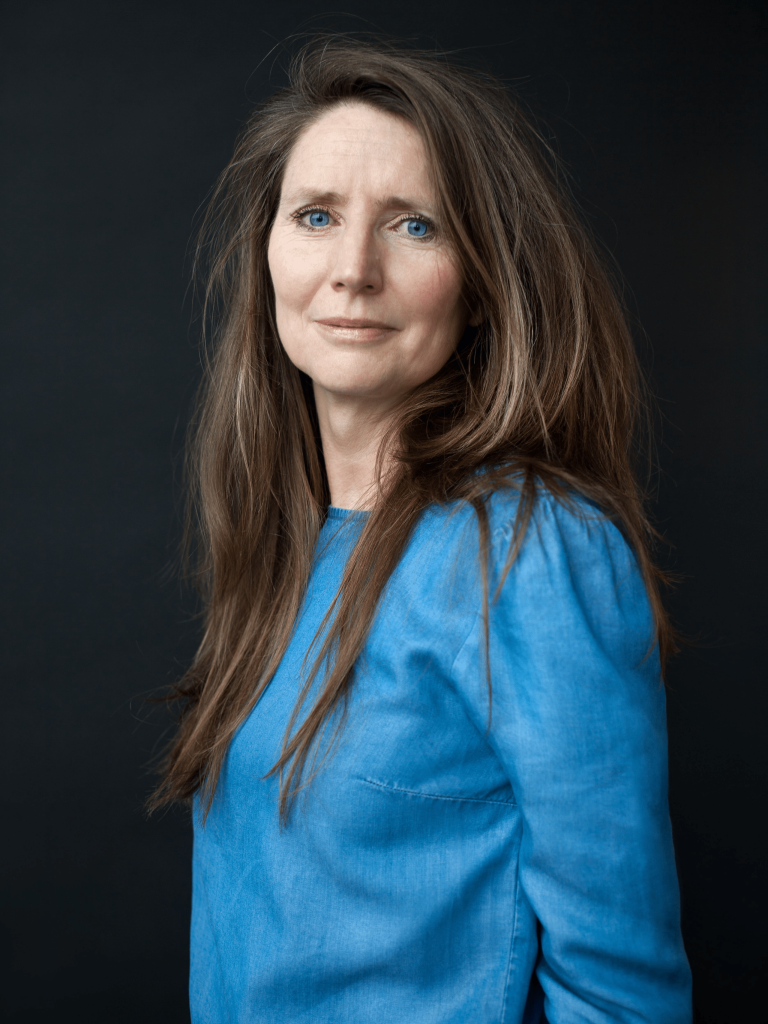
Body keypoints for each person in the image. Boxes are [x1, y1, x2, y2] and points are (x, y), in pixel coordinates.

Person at [152, 38, 692, 1023]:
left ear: (480, 281)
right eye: (317, 216)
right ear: (269, 252)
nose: (353, 271)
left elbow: (623, 992)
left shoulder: (530, 550)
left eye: (413, 225)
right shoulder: (291, 541)